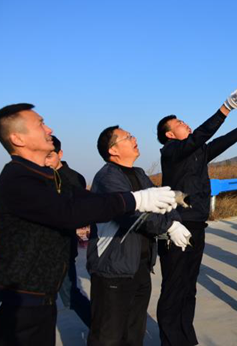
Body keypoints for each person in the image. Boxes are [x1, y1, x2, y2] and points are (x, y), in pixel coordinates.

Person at [0, 103, 177, 346]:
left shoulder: (46, 177)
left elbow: (86, 199)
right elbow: (69, 212)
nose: (49, 129)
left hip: (42, 300)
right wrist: (135, 199)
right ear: (17, 138)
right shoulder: (18, 179)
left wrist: (163, 216)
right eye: (40, 124)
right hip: (17, 305)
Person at [156, 89, 237, 345]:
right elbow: (201, 135)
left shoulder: (196, 152)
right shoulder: (170, 151)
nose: (185, 123)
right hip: (178, 225)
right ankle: (170, 340)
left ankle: (186, 338)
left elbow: (223, 142)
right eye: (179, 123)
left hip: (197, 224)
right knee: (173, 288)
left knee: (189, 287)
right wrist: (225, 109)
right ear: (169, 134)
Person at [87, 126, 191, 346]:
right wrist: (169, 227)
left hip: (140, 266)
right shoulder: (107, 178)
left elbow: (163, 198)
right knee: (108, 336)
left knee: (135, 333)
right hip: (113, 270)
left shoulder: (139, 173)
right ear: (113, 150)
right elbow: (133, 215)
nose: (134, 139)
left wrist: (174, 220)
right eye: (127, 137)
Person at [44, 136, 92, 327]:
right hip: (40, 249)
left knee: (70, 295)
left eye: (49, 156)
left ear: (60, 154)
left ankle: (100, 332)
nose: (45, 161)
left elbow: (75, 213)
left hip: (61, 249)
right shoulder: (40, 177)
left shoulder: (73, 178)